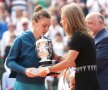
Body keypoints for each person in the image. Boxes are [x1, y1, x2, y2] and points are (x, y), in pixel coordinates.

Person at [35, 3, 100, 90]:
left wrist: (47, 70)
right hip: (88, 81)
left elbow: (69, 62)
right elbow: (76, 62)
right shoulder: (83, 35)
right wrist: (58, 58)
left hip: (85, 83)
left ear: (70, 20)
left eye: (62, 19)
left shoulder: (78, 36)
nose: (61, 22)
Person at [6, 5, 51, 90]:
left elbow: (47, 65)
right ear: (34, 23)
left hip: (41, 86)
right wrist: (24, 70)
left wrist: (54, 69)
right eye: (44, 25)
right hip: (22, 86)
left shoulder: (47, 41)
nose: (47, 29)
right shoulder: (21, 39)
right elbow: (9, 61)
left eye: (49, 26)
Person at [85, 12, 108, 90]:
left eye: (90, 23)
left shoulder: (105, 39)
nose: (87, 26)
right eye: (86, 23)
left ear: (101, 23)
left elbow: (96, 64)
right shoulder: (95, 38)